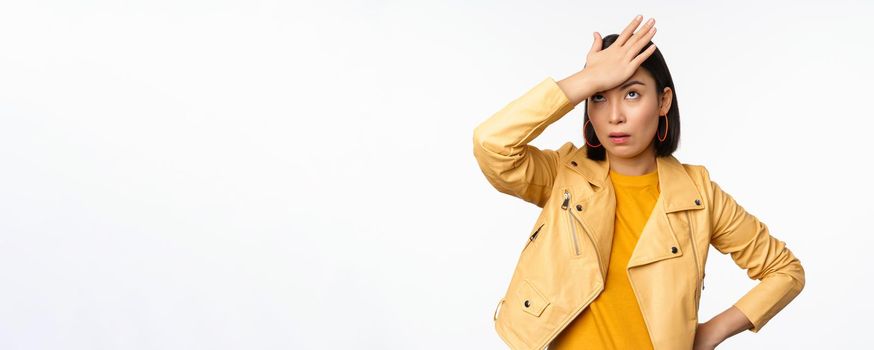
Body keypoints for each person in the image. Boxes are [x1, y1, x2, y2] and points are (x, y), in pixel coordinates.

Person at [472, 15, 805, 350]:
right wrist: (587, 79)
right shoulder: (564, 175)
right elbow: (492, 144)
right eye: (599, 97)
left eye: (632, 94)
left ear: (663, 102)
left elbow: (784, 271)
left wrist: (711, 333)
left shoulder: (698, 195)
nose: (614, 115)